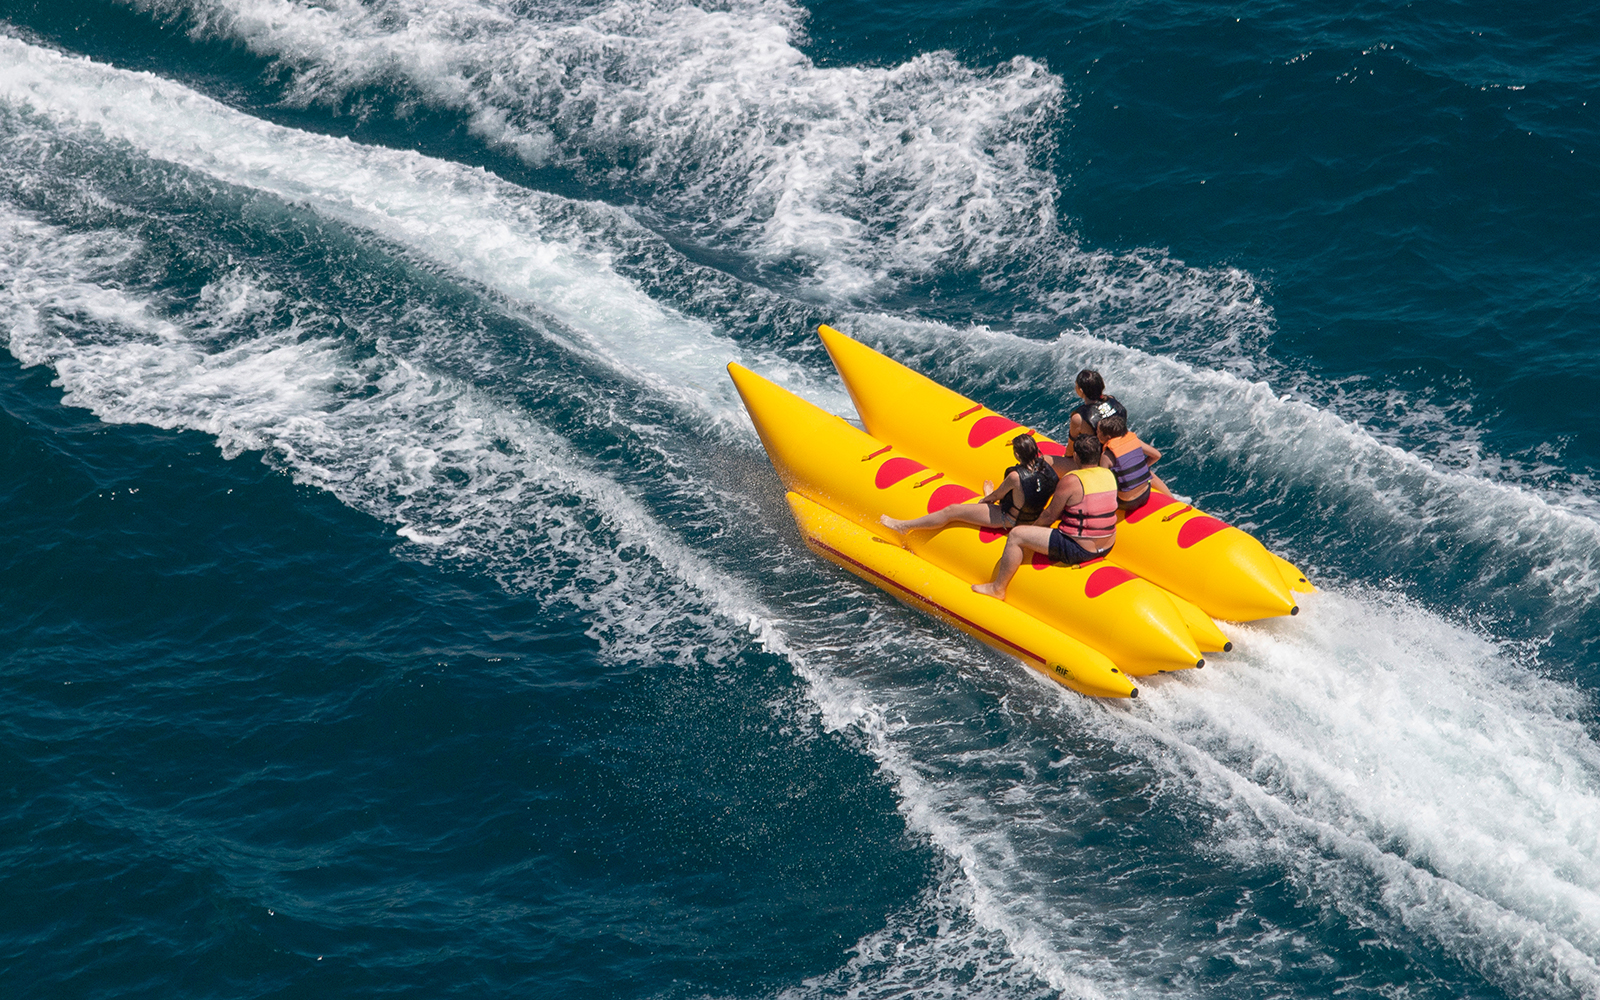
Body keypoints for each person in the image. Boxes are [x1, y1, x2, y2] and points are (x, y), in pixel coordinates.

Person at [972, 434, 1118, 600]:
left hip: (1080, 549)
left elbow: (1049, 516)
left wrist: (1029, 529)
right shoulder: (1108, 474)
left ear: (1076, 456)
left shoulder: (1071, 480)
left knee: (1016, 535)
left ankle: (997, 588)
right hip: (1108, 544)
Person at [881, 434, 1059, 535]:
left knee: (951, 510)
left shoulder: (1015, 476)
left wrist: (987, 495)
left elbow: (996, 497)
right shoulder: (1049, 470)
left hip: (1011, 520)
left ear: (1017, 456)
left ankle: (904, 526)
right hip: (1035, 517)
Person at [1096, 413, 1170, 512]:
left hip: (1126, 503)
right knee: (1147, 472)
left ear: (1108, 437)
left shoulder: (1106, 455)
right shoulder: (1135, 441)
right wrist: (1141, 467)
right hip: (1145, 495)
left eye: (1098, 432)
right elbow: (1157, 455)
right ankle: (1172, 499)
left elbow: (1103, 484)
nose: (1096, 434)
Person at [1067, 369, 1127, 445]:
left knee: (1047, 457)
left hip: (1101, 455)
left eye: (1076, 385)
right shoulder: (1112, 400)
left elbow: (1070, 451)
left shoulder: (1079, 418)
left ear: (1081, 391)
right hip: (1123, 447)